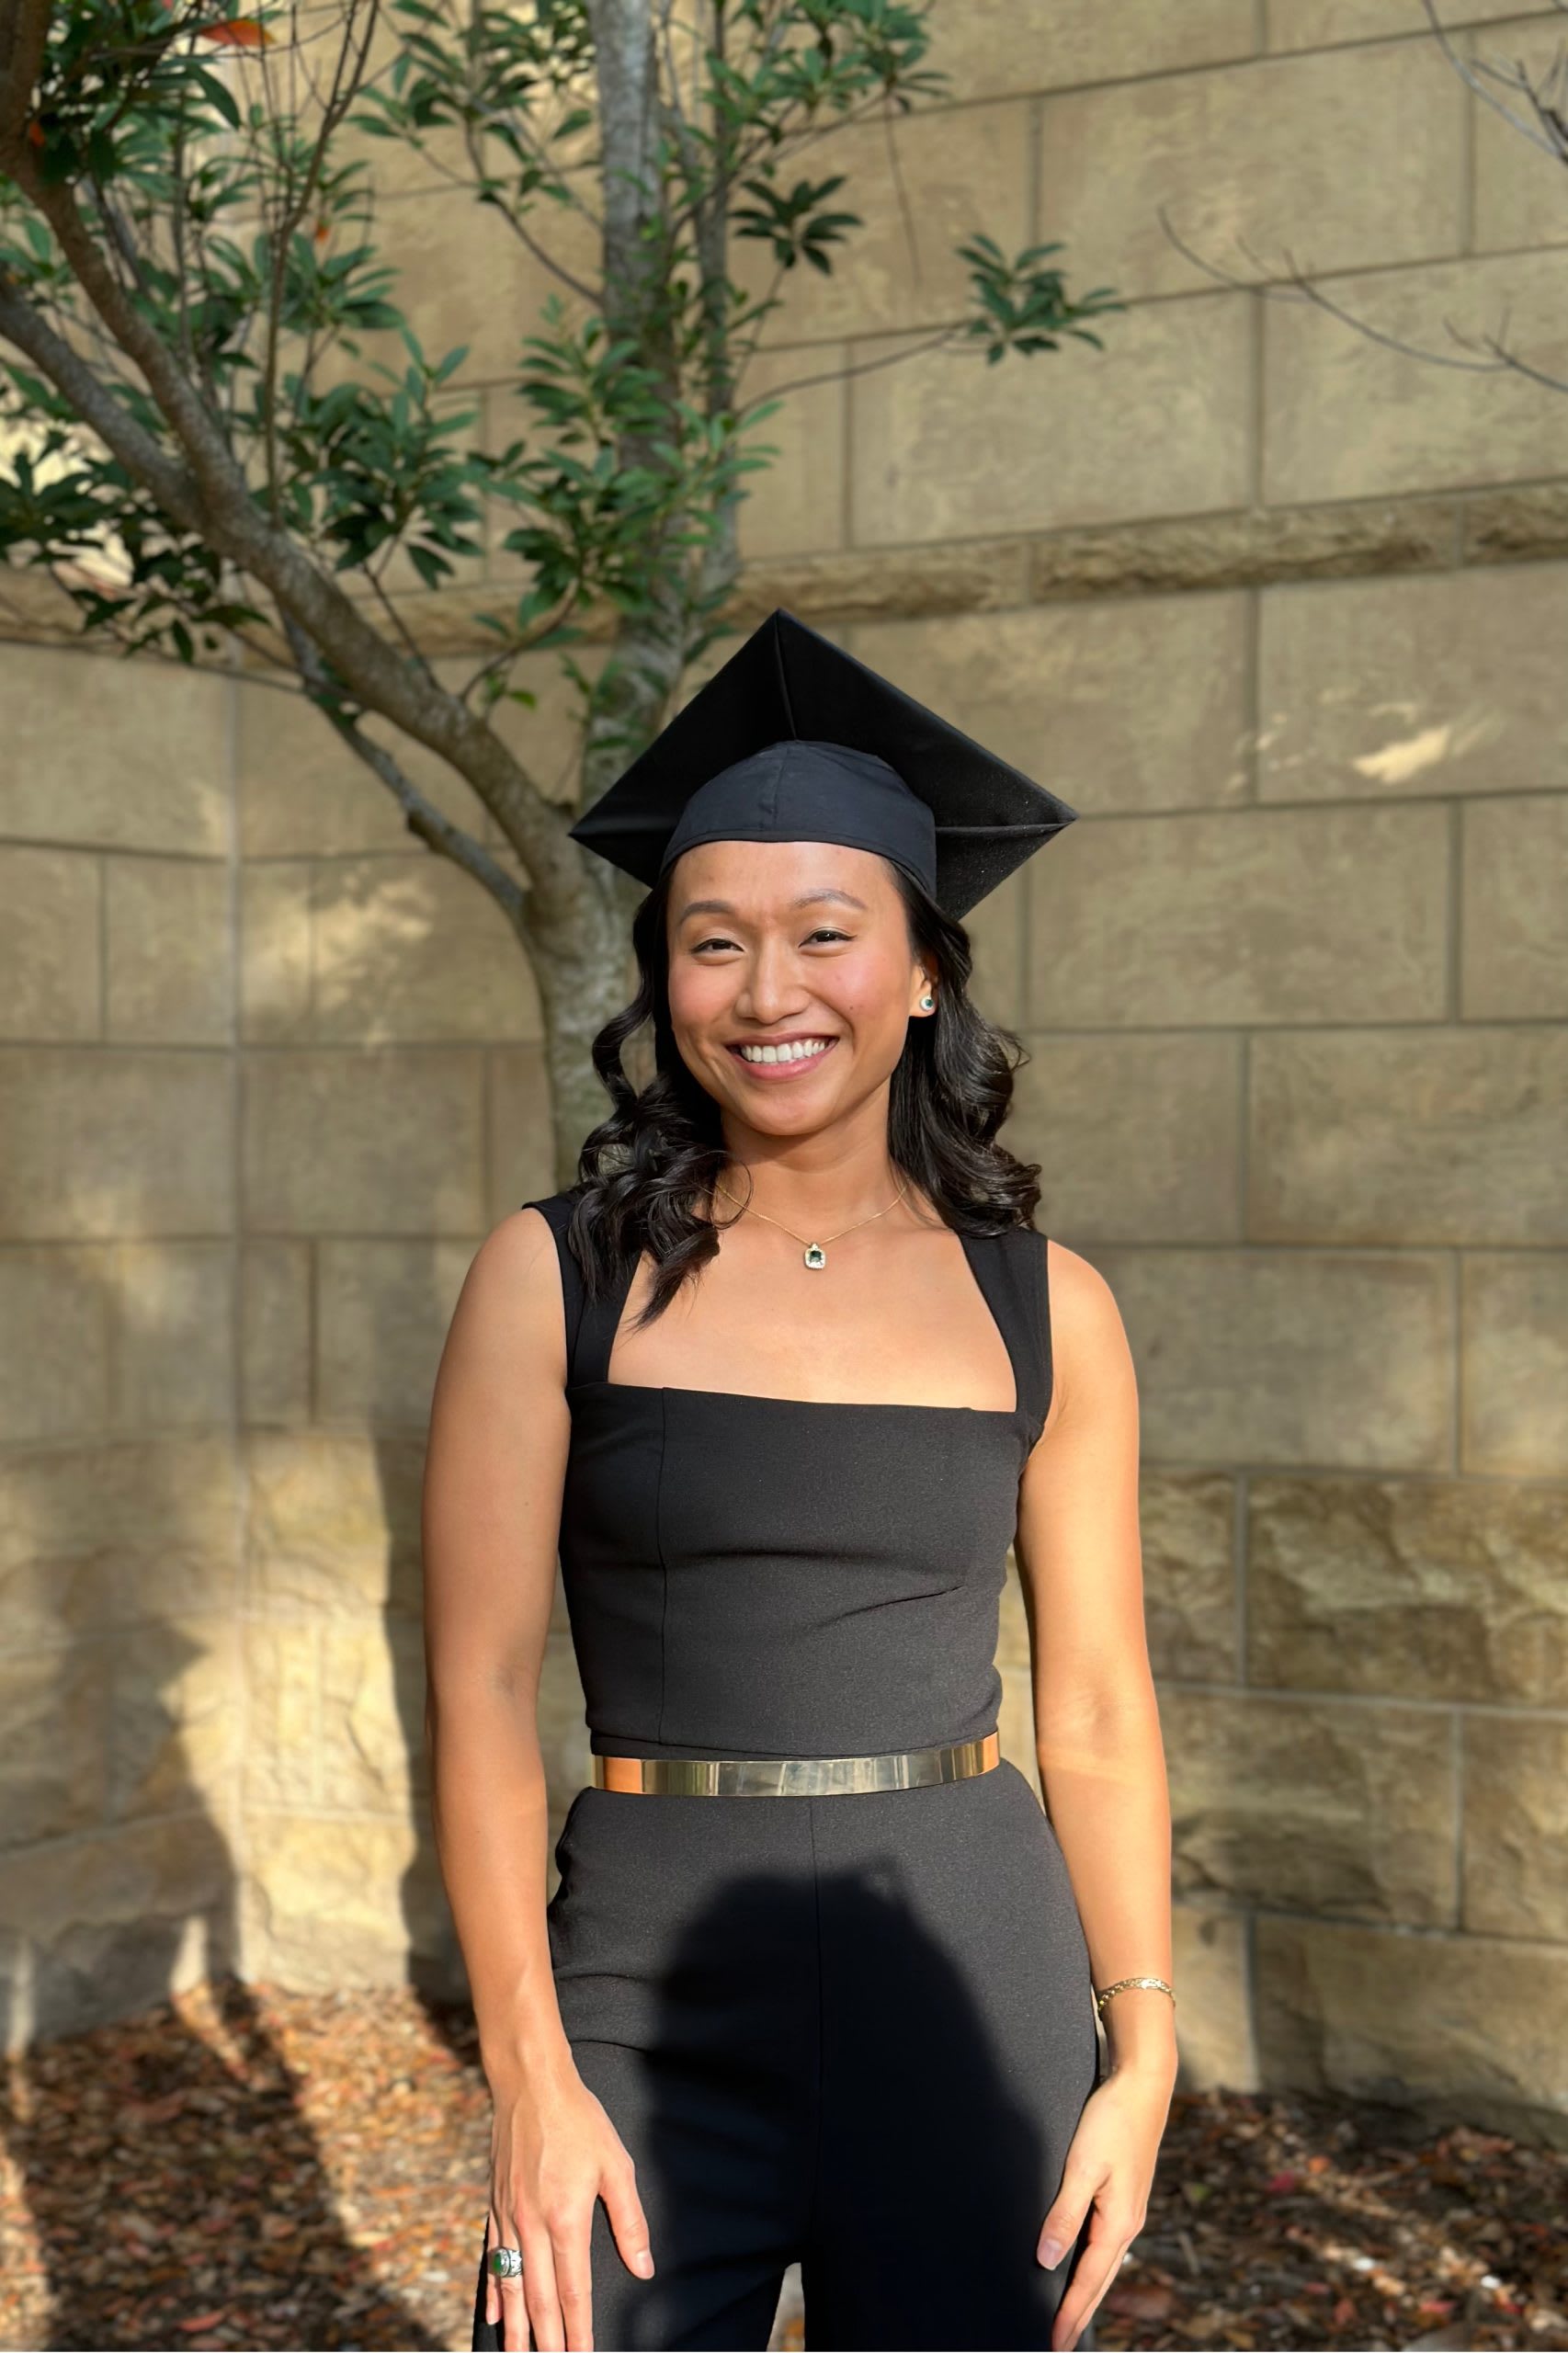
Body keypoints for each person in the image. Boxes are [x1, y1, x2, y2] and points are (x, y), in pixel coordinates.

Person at [422, 608, 1178, 2353]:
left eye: (824, 936)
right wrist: (526, 2075)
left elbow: (1099, 1709)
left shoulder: (1047, 1306)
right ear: (662, 977)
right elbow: (471, 1691)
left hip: (971, 1972)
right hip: (643, 1976)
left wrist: (1139, 2047)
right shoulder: (555, 1277)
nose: (768, 994)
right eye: (712, 944)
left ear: (919, 971)